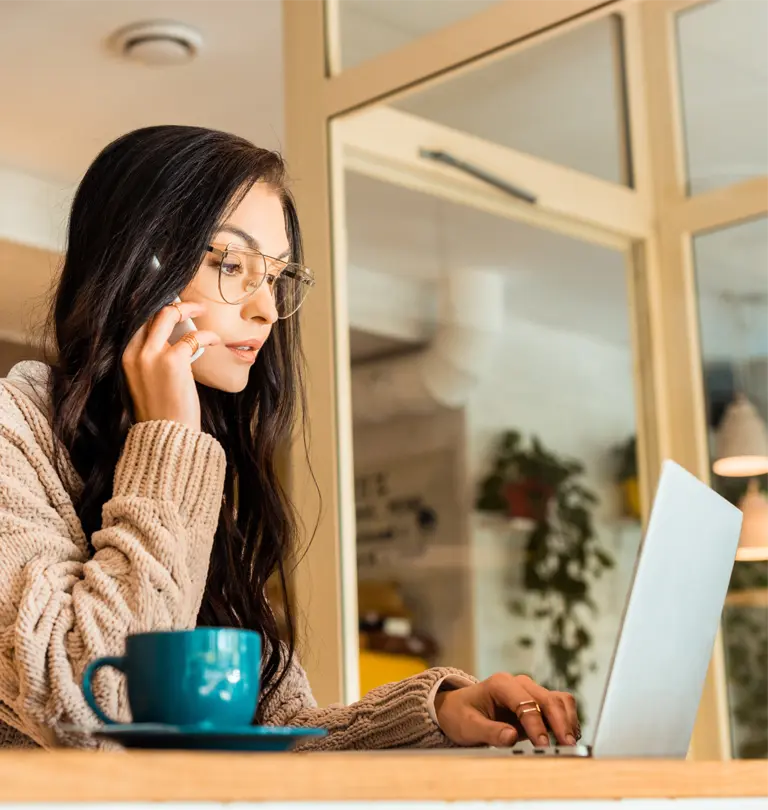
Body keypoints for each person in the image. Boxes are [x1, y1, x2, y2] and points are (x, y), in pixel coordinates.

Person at [0, 125, 579, 750]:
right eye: (230, 264)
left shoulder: (198, 465)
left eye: (276, 276)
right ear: (139, 266)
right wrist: (168, 438)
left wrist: (436, 715)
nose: (267, 310)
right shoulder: (19, 435)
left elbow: (274, 746)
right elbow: (84, 713)